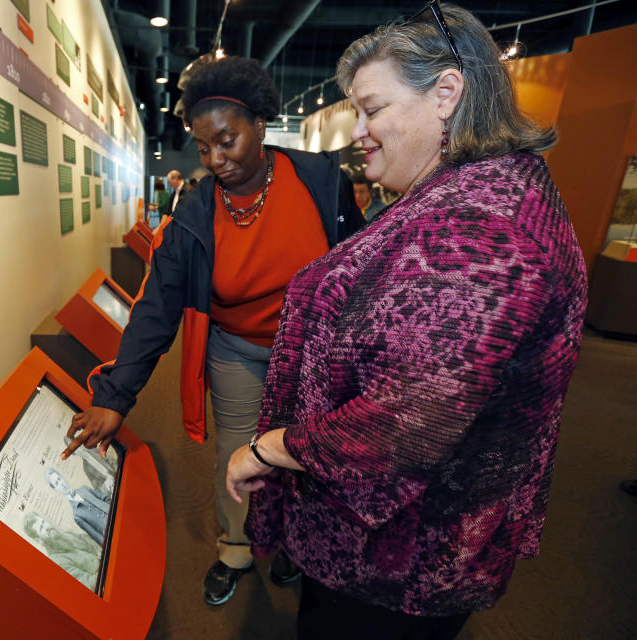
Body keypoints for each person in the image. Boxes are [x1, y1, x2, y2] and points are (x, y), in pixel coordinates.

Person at [227, 3, 587, 638]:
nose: (358, 131)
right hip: (398, 537)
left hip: (396, 557)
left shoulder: (483, 227)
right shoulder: (475, 192)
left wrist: (271, 448)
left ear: (446, 94)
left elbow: (412, 421)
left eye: (372, 108)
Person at [61, 55, 364, 605]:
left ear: (260, 126)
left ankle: (296, 545)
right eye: (203, 147)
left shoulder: (320, 182)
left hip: (314, 354)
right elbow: (156, 309)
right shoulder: (195, 213)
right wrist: (115, 398)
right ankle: (236, 548)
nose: (215, 159)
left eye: (227, 141)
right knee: (239, 451)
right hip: (236, 348)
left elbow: (364, 265)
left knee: (308, 450)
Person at [22, 512, 101, 590]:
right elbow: (90, 585)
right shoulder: (57, 563)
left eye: (43, 522)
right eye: (41, 528)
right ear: (39, 540)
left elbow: (87, 539)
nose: (47, 527)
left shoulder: (65, 535)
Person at [45, 467, 110, 546]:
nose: (61, 484)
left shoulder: (84, 489)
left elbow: (105, 498)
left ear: (62, 478)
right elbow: (98, 538)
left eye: (59, 479)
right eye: (57, 483)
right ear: (56, 489)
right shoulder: (77, 516)